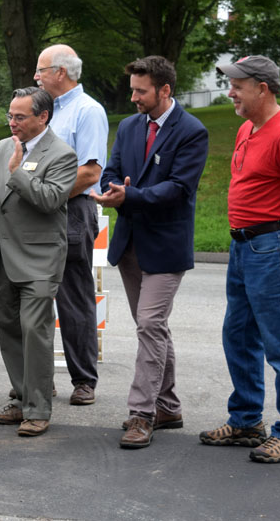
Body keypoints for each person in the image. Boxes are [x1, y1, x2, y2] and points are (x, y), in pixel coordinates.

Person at [91, 56, 208, 449]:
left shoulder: (192, 131)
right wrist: (111, 188)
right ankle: (169, 407)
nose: (134, 97)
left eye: (141, 91)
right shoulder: (127, 126)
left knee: (149, 325)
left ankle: (142, 414)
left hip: (166, 246)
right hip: (130, 245)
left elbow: (179, 188)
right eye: (133, 90)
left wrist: (131, 195)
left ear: (165, 90)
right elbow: (112, 169)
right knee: (152, 328)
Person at [199, 55, 280, 464]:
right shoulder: (247, 127)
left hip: (273, 246)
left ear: (263, 87)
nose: (230, 92)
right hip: (242, 247)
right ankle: (245, 421)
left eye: (237, 86)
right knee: (238, 336)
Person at [0, 87, 77, 438]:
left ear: (43, 117)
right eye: (11, 115)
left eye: (20, 117)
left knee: (35, 332)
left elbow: (51, 200)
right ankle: (24, 397)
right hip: (4, 255)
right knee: (10, 330)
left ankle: (39, 410)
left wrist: (19, 172)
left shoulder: (62, 154)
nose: (12, 122)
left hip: (40, 258)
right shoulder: (2, 146)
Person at [34, 44, 108, 405]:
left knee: (73, 298)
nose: (36, 77)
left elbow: (91, 171)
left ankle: (83, 380)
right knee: (34, 298)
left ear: (60, 72)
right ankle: (38, 380)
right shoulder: (44, 111)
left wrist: (47, 194)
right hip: (36, 212)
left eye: (41, 70)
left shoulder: (87, 111)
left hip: (72, 211)